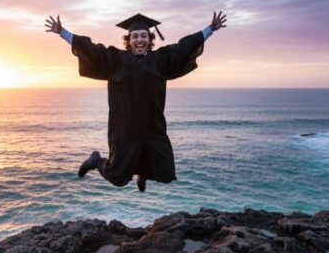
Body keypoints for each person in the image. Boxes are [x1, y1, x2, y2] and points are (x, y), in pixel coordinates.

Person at [45, 12, 227, 192]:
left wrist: (210, 29)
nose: (139, 40)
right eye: (135, 36)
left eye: (143, 36)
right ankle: (96, 161)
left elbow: (185, 46)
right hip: (125, 128)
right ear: (128, 40)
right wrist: (62, 32)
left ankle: (144, 174)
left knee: (166, 172)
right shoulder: (115, 60)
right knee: (118, 177)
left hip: (152, 127)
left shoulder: (161, 60)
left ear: (149, 39)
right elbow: (89, 49)